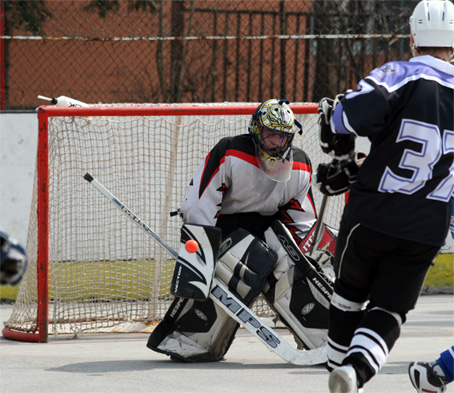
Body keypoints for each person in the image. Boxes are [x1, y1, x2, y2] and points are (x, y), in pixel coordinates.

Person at [315, 1, 454, 392]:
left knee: (348, 292)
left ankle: (336, 369)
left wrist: (346, 155)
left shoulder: (400, 73)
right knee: (389, 309)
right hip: (427, 225)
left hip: (373, 211)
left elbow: (343, 117)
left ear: (412, 37)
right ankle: (356, 373)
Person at [147, 98, 335, 362]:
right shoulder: (231, 151)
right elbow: (197, 206)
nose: (277, 144)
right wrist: (200, 259)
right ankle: (188, 341)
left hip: (266, 229)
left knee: (288, 266)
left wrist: (313, 265)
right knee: (250, 263)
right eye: (271, 135)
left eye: (283, 137)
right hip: (225, 229)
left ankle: (324, 339)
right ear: (256, 130)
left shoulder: (301, 166)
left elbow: (302, 225)